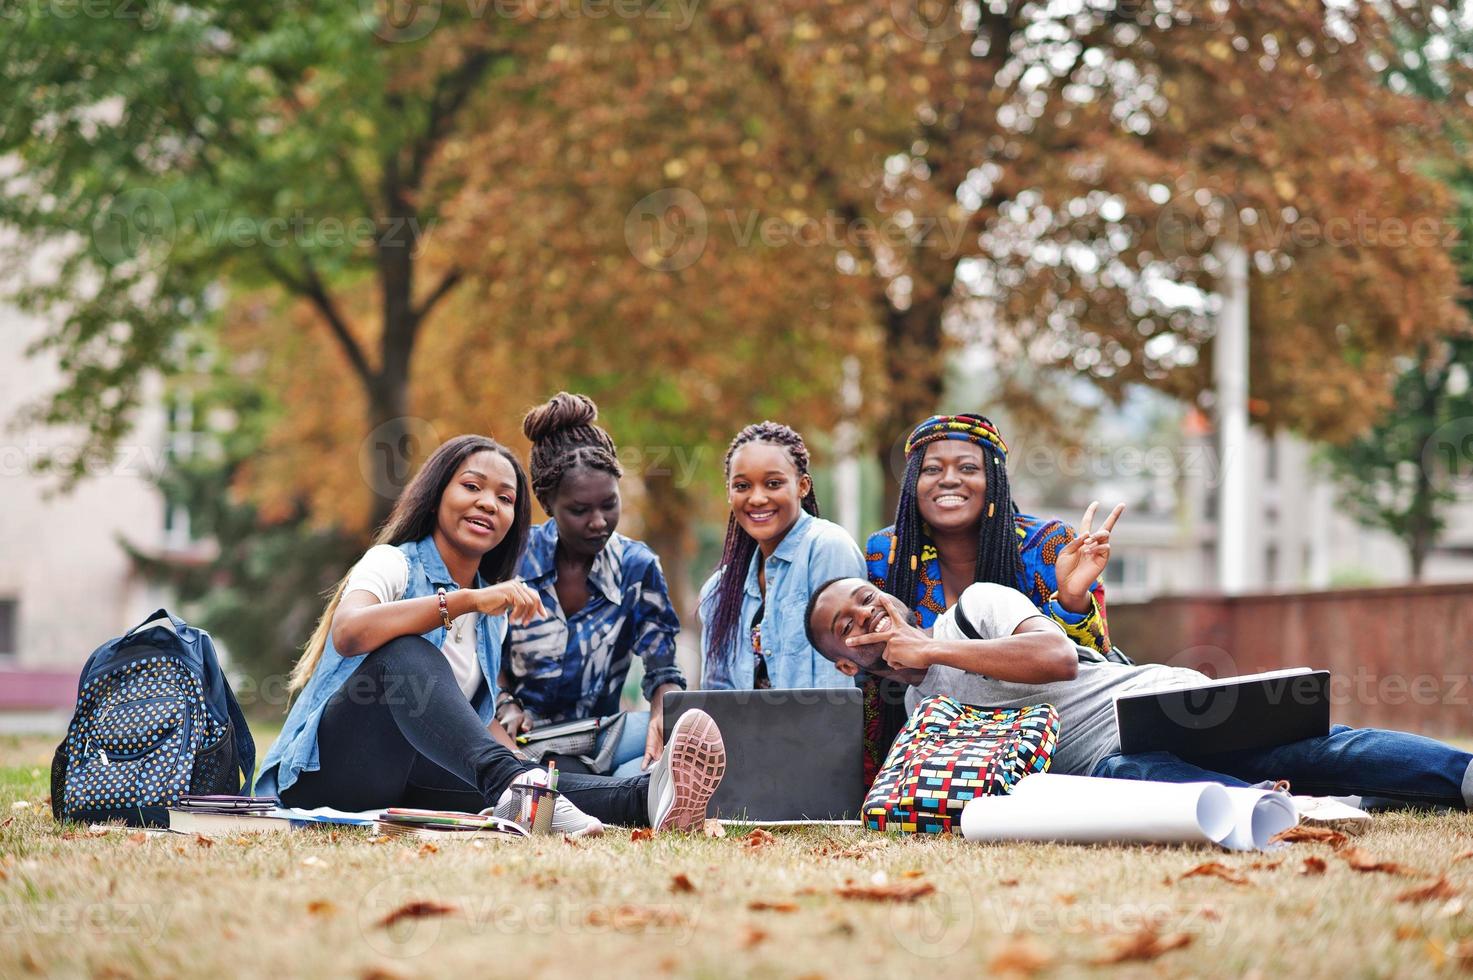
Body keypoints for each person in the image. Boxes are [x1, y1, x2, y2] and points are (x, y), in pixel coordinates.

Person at [256, 435, 727, 835]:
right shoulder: (393, 562)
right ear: (438, 494)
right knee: (405, 651)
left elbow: (474, 727)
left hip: (408, 780)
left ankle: (650, 798)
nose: (488, 503)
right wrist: (464, 601)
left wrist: (532, 778)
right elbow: (349, 633)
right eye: (472, 487)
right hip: (328, 774)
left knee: (518, 778)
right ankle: (517, 786)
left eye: (505, 498)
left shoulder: (491, 612)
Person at [805, 576, 1473, 809]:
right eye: (845, 623)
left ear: (887, 596)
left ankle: (1462, 775)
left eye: (865, 599)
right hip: (1117, 771)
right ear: (842, 662)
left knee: (1311, 752)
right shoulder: (923, 720)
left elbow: (1055, 656)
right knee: (1129, 773)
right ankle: (1309, 811)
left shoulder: (974, 608)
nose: (864, 615)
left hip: (1160, 705)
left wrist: (932, 648)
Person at [861, 413, 1124, 778]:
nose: (949, 479)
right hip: (944, 745)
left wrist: (1072, 600)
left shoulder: (1046, 544)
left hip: (1057, 725)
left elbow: (1090, 660)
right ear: (913, 484)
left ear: (994, 480)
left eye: (968, 467)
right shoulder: (885, 552)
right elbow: (874, 670)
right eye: (932, 469)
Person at [497, 393, 686, 778]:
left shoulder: (638, 568)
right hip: (519, 745)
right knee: (614, 786)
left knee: (656, 764)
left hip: (603, 740)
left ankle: (622, 788)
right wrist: (505, 706)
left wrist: (660, 719)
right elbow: (485, 658)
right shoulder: (511, 560)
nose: (599, 521)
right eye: (580, 510)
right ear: (547, 504)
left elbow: (663, 672)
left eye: (609, 504)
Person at [699, 421, 866, 690]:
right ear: (729, 493)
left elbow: (837, 679)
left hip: (817, 728)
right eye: (742, 486)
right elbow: (715, 696)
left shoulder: (827, 549)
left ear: (803, 486)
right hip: (742, 732)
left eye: (773, 483)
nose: (756, 498)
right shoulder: (718, 589)